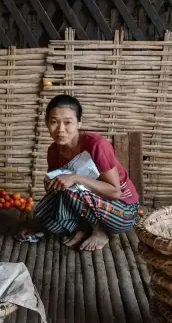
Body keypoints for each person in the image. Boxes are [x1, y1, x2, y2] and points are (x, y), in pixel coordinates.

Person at [16, 94, 140, 251]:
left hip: (122, 212)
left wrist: (75, 178)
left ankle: (99, 231)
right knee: (50, 224)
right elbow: (57, 191)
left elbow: (115, 192)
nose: (60, 129)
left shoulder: (96, 145)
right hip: (85, 206)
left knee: (73, 189)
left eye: (68, 122)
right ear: (46, 123)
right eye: (54, 122)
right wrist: (51, 184)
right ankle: (83, 227)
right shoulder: (53, 151)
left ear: (79, 123)